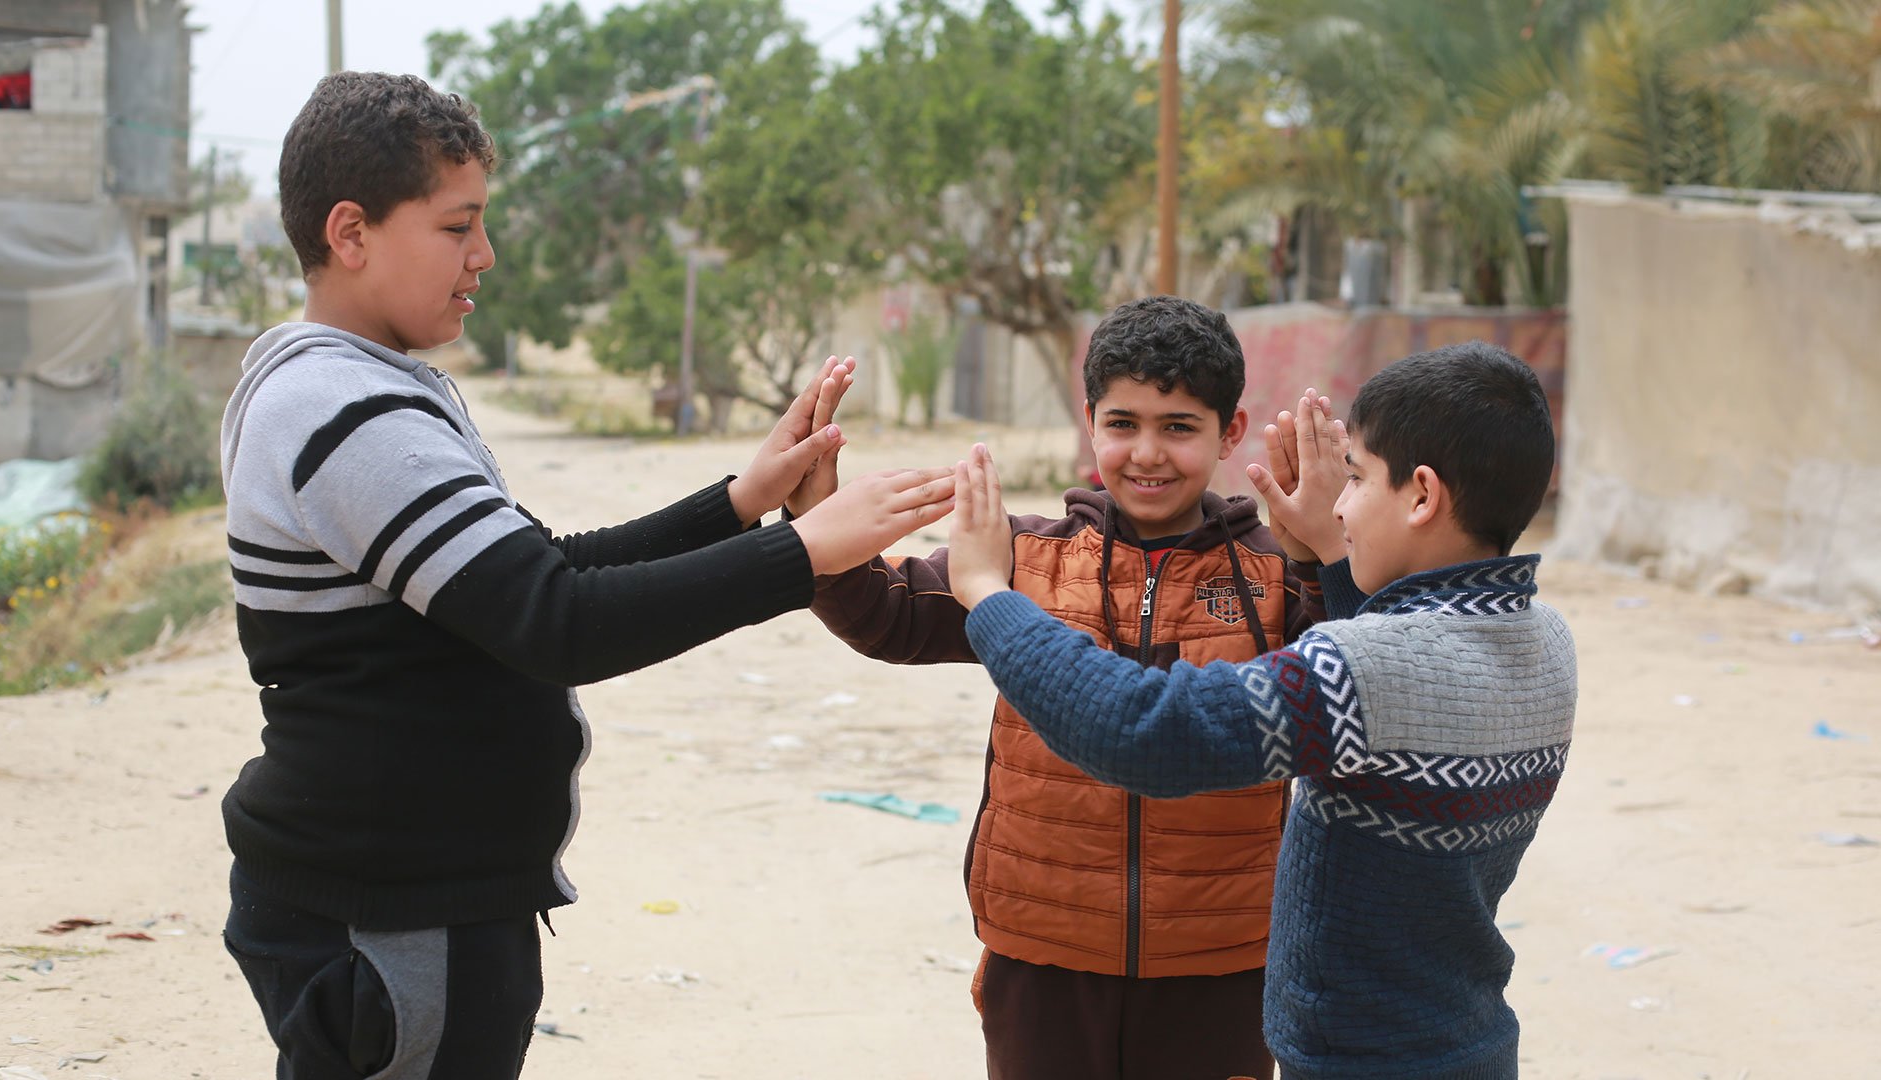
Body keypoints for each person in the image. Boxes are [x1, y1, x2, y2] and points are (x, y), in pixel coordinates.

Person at [217, 71, 953, 1078]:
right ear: (350, 233)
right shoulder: (343, 411)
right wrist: (808, 551)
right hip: (392, 915)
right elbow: (557, 621)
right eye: (455, 226)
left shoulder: (357, 384)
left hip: (406, 895)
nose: (483, 256)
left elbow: (533, 571)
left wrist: (736, 503)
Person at [945, 340, 1578, 1080]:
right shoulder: (1544, 640)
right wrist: (1334, 562)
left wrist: (989, 591)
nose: (1338, 505)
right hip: (1465, 1043)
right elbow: (1397, 688)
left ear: (1422, 496)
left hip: (1359, 1061)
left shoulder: (1366, 670)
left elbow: (1139, 732)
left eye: (1357, 478)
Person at [801, 295, 1323, 1080]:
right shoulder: (1026, 558)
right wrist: (816, 522)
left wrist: (1323, 554)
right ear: (1090, 422)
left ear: (1231, 433)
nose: (1147, 453)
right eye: (1123, 424)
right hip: (1041, 950)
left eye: (1179, 427)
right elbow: (890, 619)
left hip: (1221, 958)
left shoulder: (1273, 576)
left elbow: (1359, 663)